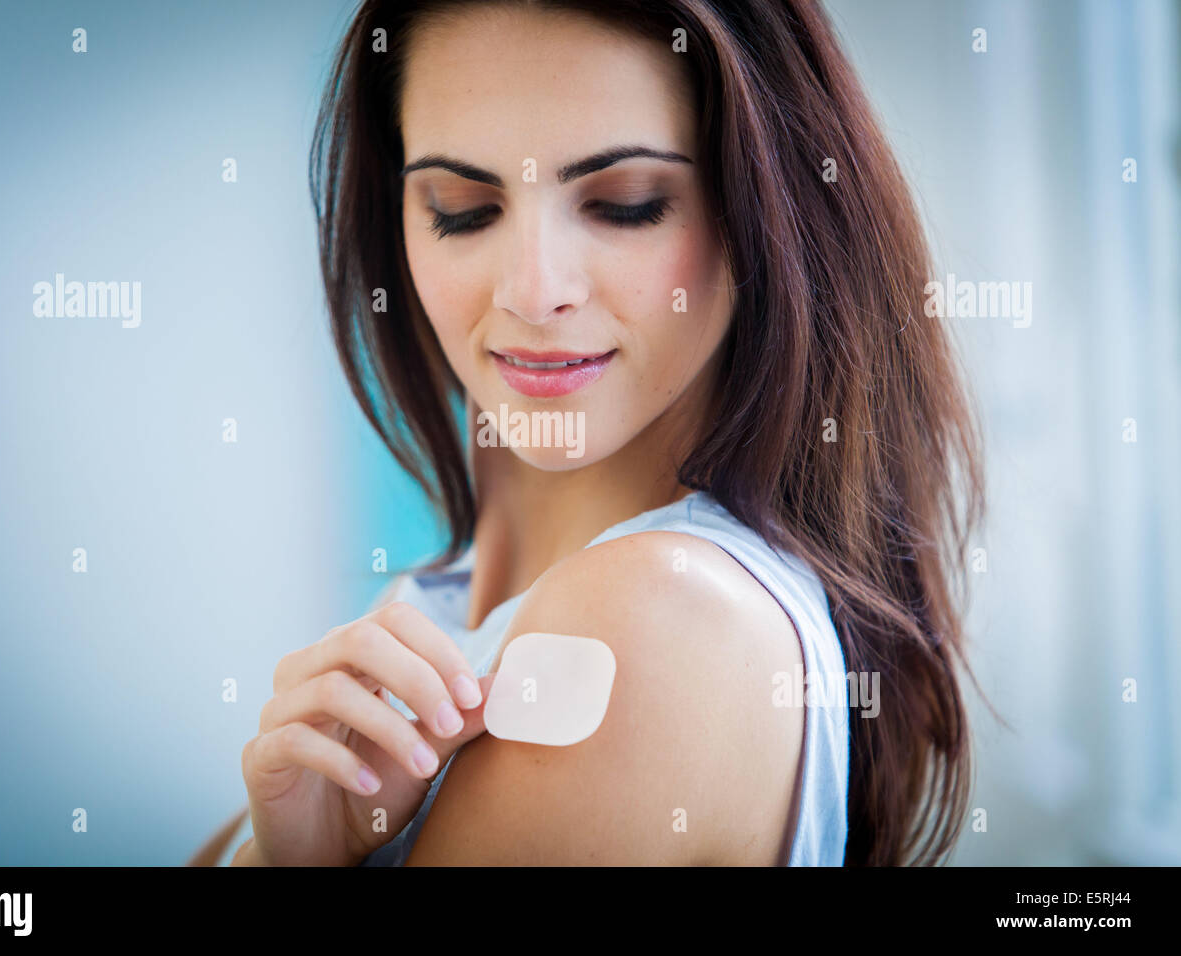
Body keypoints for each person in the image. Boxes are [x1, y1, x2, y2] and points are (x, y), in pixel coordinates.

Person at [192, 0, 985, 867]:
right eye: (461, 208)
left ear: (763, 207)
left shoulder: (659, 621)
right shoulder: (435, 604)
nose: (534, 293)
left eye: (625, 204)